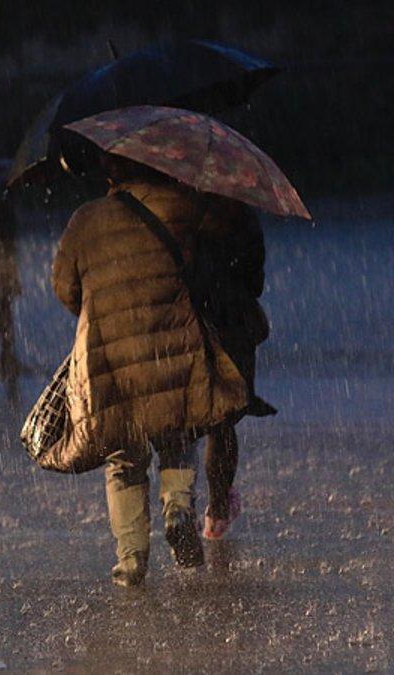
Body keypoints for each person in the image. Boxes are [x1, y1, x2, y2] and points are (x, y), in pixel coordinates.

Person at [51, 153, 250, 586]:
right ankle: (178, 509)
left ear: (109, 172)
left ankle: (131, 560)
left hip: (108, 349)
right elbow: (218, 249)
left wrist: (103, 305)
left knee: (122, 454)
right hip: (169, 339)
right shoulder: (181, 205)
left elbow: (64, 287)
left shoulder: (85, 219)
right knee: (175, 431)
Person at [194, 197, 272, 540]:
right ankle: (218, 509)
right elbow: (255, 284)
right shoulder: (241, 217)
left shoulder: (182, 210)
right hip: (234, 326)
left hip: (191, 321)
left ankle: (177, 508)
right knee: (222, 423)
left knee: (185, 418)